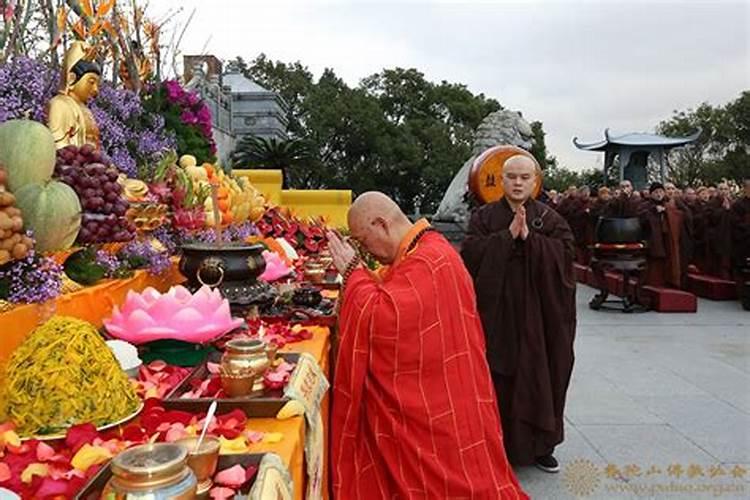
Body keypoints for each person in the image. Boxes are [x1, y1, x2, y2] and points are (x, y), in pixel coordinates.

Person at [327, 192, 528, 499]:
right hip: (450, 391)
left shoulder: (428, 260)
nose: (366, 252)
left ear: (381, 224)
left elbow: (385, 319)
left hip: (440, 405)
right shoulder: (425, 250)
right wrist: (361, 277)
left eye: (364, 242)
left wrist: (354, 275)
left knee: (454, 483)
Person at [461, 155, 576, 473]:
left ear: (535, 181)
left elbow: (567, 259)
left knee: (541, 375)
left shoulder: (551, 220)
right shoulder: (484, 218)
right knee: (498, 377)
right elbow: (470, 253)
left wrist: (531, 240)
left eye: (524, 177)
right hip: (497, 314)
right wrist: (506, 237)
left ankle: (540, 446)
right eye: (511, 176)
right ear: (501, 180)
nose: (518, 182)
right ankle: (493, 443)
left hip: (539, 316)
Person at [47, 41, 102, 149]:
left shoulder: (86, 110)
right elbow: (58, 147)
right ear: (71, 79)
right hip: (73, 163)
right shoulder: (60, 104)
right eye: (91, 82)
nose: (96, 90)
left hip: (92, 163)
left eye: (97, 84)